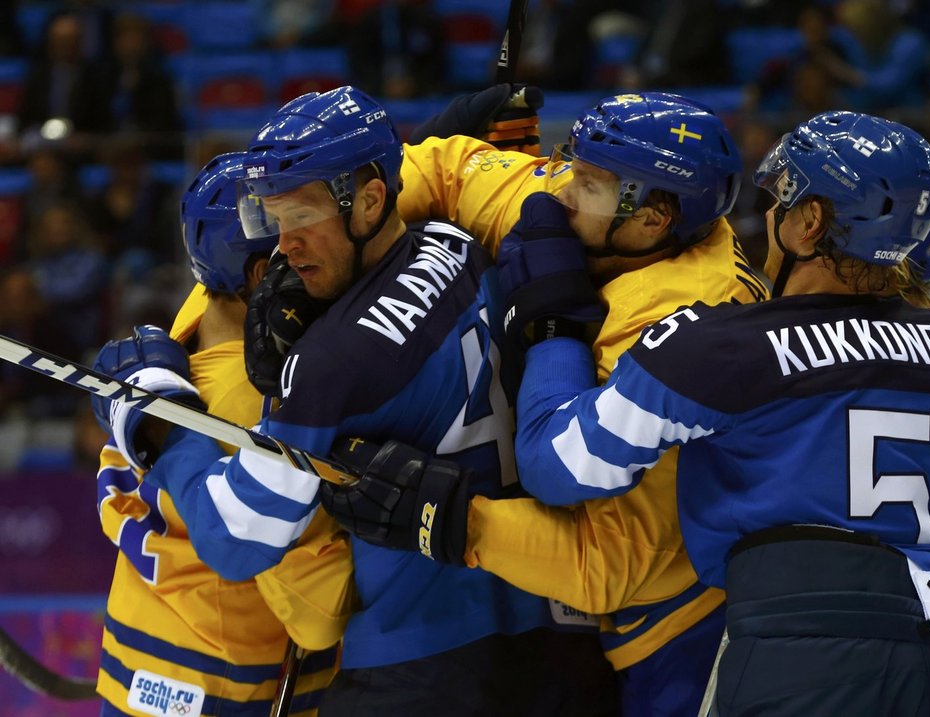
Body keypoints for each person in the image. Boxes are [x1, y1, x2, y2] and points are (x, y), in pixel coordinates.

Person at [333, 111, 930, 715]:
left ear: (807, 223)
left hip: (794, 646)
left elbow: (559, 467)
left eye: (779, 204)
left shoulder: (721, 340)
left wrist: (551, 328)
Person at [93, 86, 615, 717]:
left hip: (421, 667)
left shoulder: (326, 368)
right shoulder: (459, 238)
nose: (285, 246)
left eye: (302, 216)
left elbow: (237, 537)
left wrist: (160, 421)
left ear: (370, 200)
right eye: (274, 221)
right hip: (563, 639)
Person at [324, 90, 767, 716]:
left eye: (587, 183)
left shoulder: (679, 319)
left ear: (654, 217)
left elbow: (610, 556)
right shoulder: (607, 212)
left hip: (694, 622)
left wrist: (459, 521)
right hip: (619, 624)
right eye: (571, 167)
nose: (560, 193)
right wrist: (342, 243)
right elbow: (442, 169)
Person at [91, 152, 350, 717]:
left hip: (135, 667)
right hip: (228, 692)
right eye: (296, 236)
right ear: (263, 274)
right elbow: (318, 614)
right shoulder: (256, 398)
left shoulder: (182, 329)